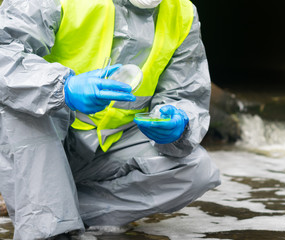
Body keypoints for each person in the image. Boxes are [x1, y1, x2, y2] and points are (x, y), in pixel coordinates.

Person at [0, 0, 221, 239]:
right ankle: (49, 227)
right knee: (21, 103)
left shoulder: (182, 11)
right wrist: (62, 87)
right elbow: (4, 52)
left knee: (196, 170)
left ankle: (50, 214)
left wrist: (179, 120)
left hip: (108, 146)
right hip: (42, 141)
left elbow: (184, 92)